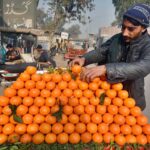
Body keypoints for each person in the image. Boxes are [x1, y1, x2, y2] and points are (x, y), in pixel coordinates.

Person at [69, 4, 150, 110]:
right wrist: (84, 59)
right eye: (123, 27)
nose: (125, 33)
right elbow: (101, 52)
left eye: (131, 29)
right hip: (107, 97)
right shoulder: (117, 39)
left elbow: (143, 67)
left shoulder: (147, 45)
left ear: (143, 28)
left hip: (130, 100)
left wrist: (106, 69)